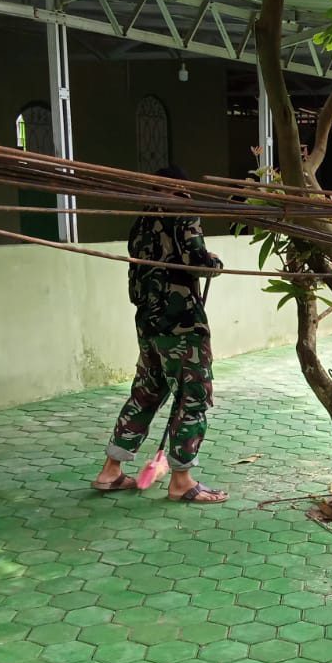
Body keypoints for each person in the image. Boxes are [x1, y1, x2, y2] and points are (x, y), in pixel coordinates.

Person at [91, 166, 228, 504]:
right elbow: (196, 261)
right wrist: (213, 263)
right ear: (181, 189)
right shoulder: (183, 215)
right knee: (193, 395)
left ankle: (111, 471)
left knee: (147, 391)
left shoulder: (140, 222)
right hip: (181, 324)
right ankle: (182, 481)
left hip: (148, 324)